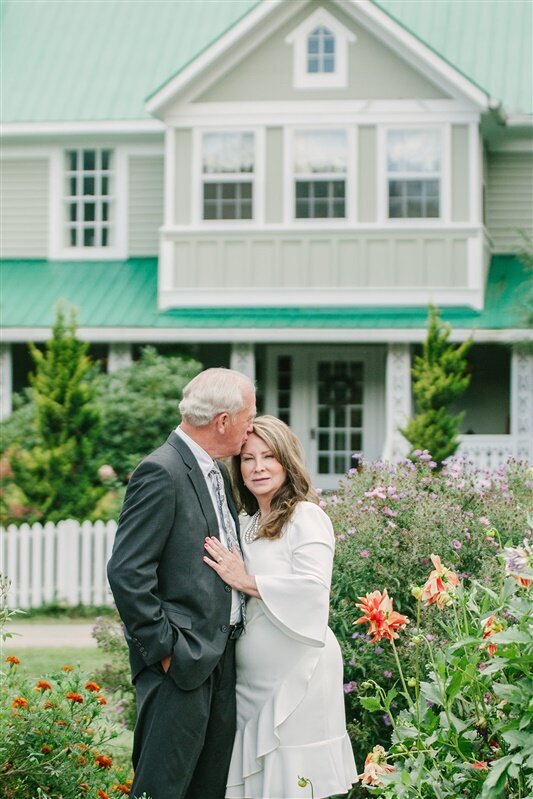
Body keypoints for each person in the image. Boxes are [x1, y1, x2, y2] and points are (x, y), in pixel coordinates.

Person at [107, 367, 256, 799]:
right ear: (223, 421)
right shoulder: (162, 471)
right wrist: (167, 651)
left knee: (207, 789)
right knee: (163, 789)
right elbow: (127, 571)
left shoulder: (215, 471)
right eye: (249, 415)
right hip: (181, 664)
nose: (252, 425)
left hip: (220, 660)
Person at [204, 415, 358, 799]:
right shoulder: (246, 523)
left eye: (268, 457)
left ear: (286, 462)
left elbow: (312, 590)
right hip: (251, 678)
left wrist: (246, 580)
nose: (257, 468)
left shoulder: (307, 517)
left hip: (299, 671)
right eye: (247, 458)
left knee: (294, 782)